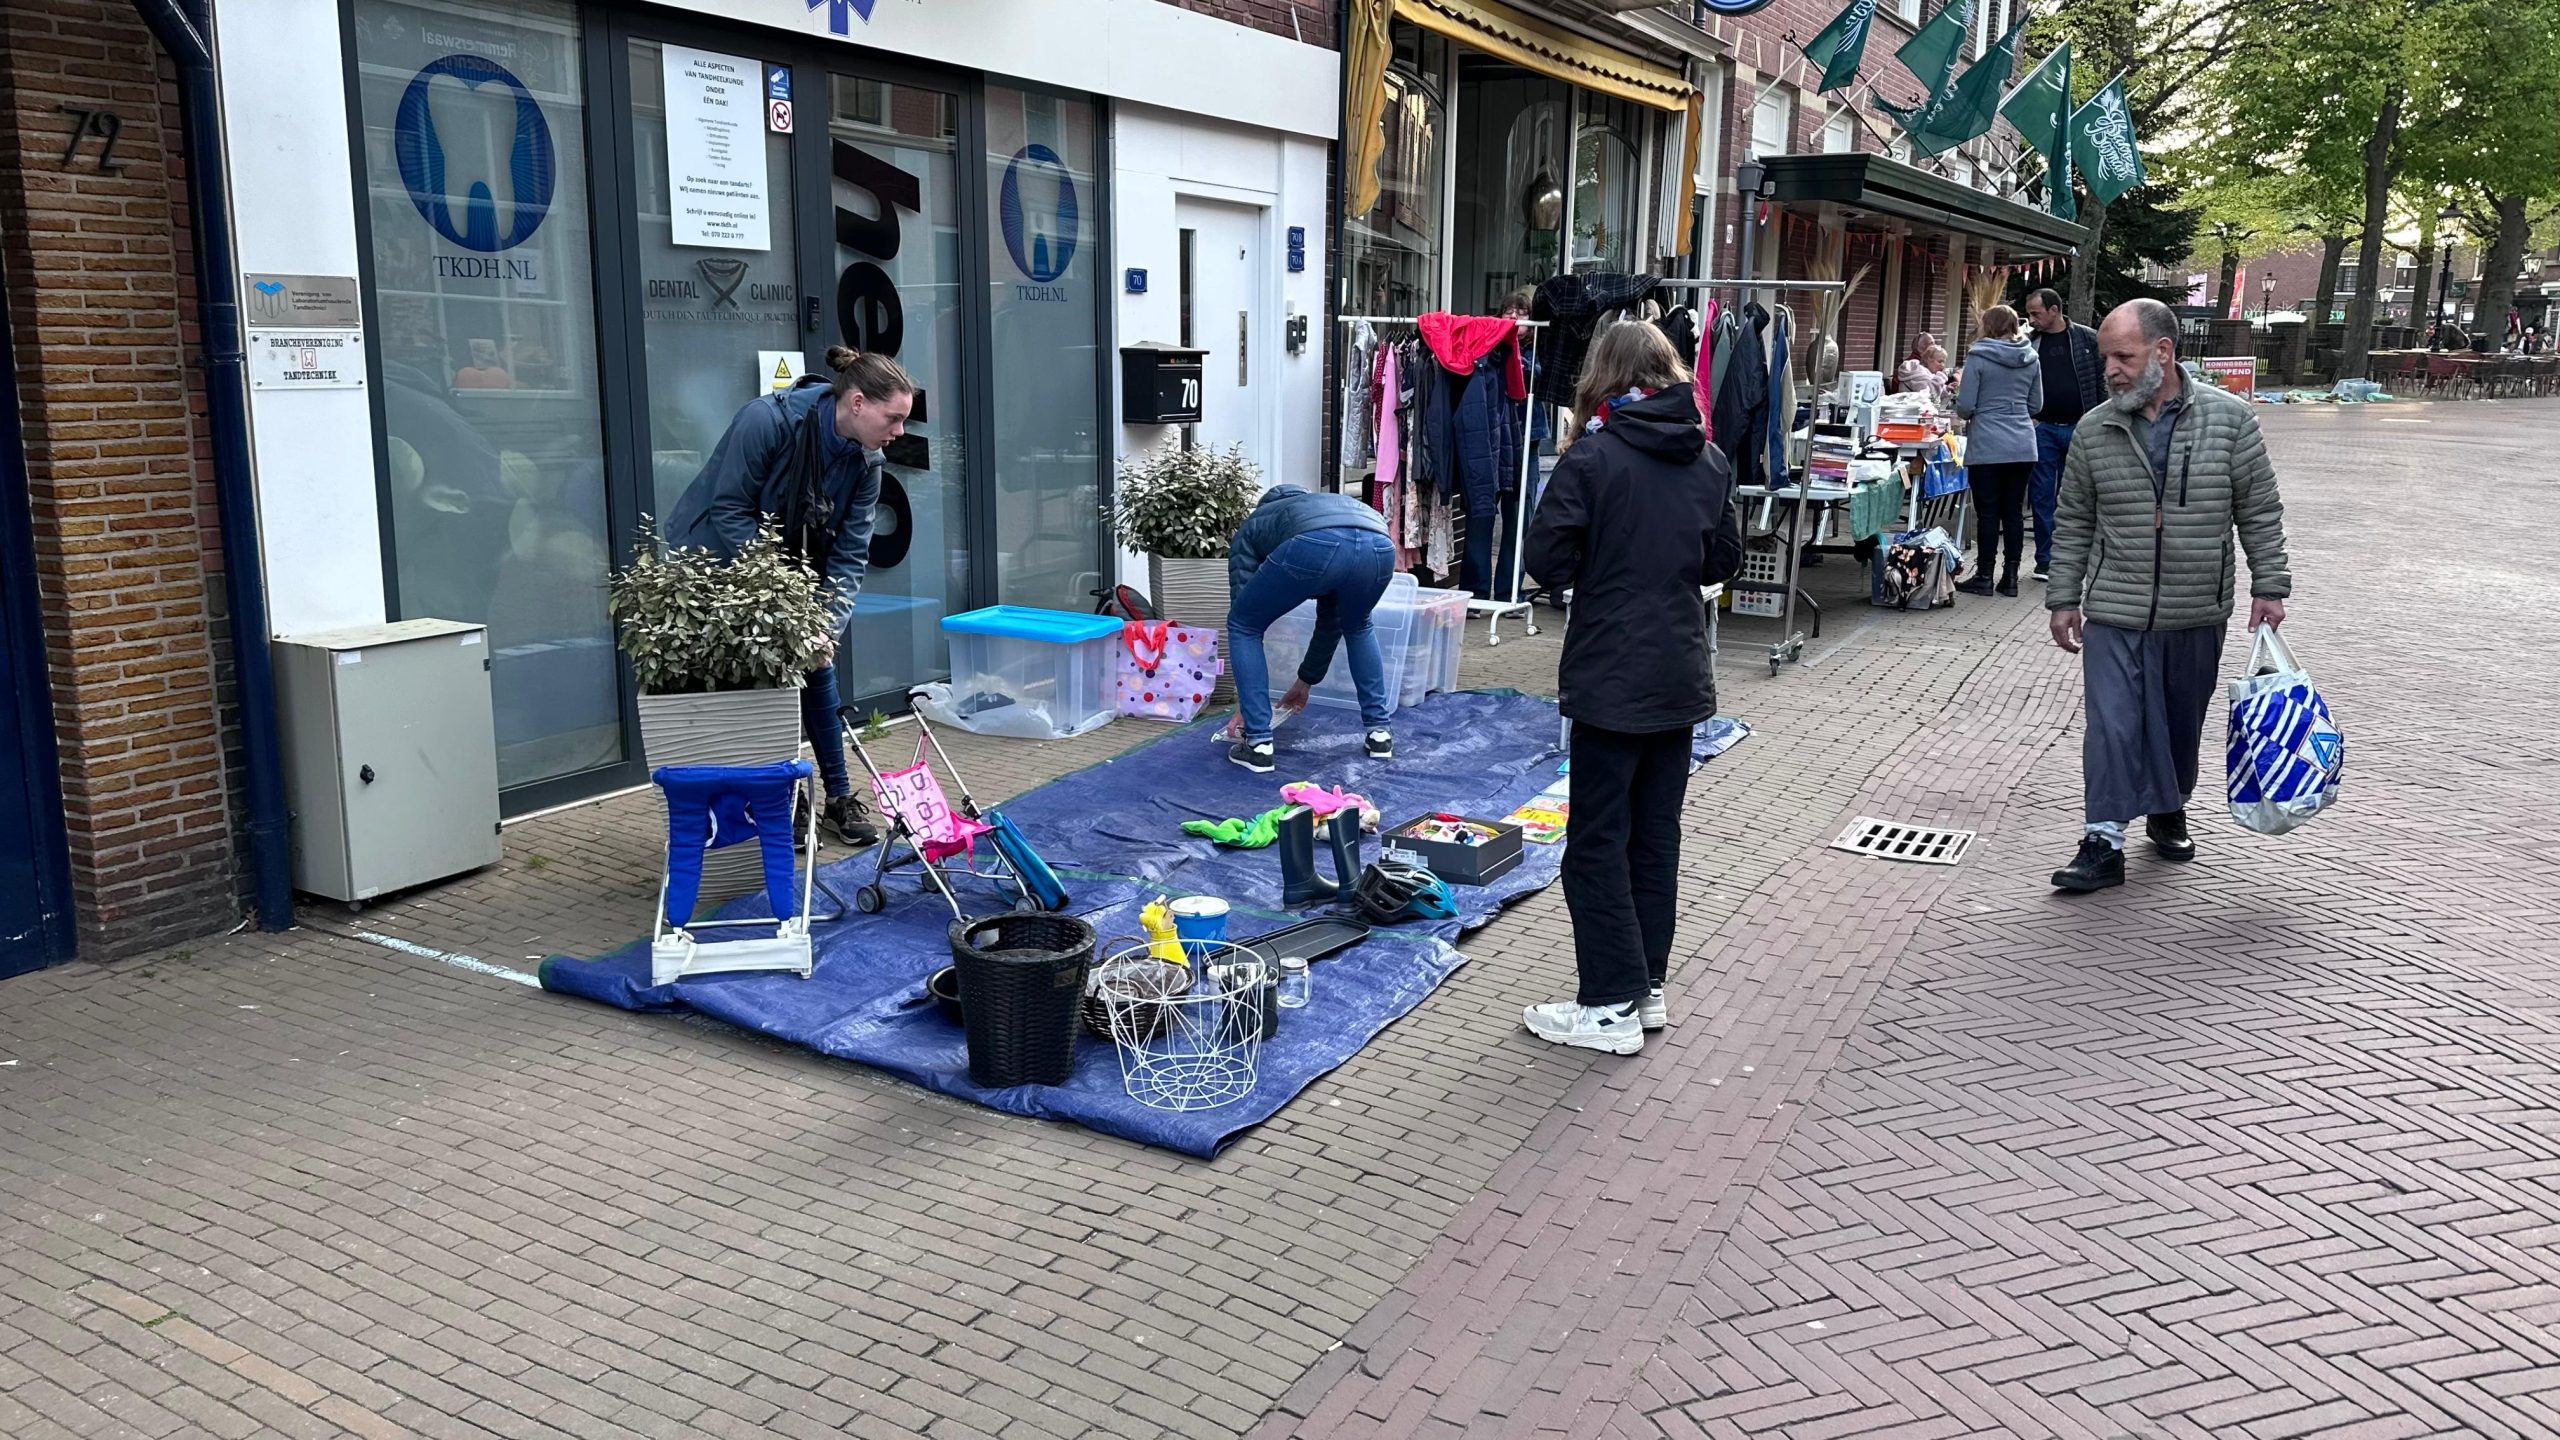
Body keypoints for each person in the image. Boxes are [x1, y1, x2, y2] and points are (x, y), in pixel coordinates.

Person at [1519, 324, 1741, 1055]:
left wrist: (1601, 555)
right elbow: (1725, 557)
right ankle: (1644, 987)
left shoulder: (1593, 456)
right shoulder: (1706, 456)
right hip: (1678, 669)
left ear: (1603, 377)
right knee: (1655, 837)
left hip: (1614, 670)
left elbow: (1545, 560)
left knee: (1595, 843)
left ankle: (1610, 1001)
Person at [2046, 298, 2293, 893]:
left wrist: (2270, 585)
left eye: (2123, 356)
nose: (2111, 369)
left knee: (2180, 724)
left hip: (2195, 607)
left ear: (2163, 352)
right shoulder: (2093, 428)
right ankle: (2102, 841)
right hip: (2115, 608)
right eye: (2106, 356)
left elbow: (2258, 510)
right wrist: (2063, 596)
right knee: (2112, 725)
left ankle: (2167, 805)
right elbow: (2073, 517)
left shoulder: (2231, 420)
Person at [663, 345, 915, 847]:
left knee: (816, 662)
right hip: (716, 559)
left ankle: (837, 797)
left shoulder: (867, 463)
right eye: (895, 418)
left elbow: (849, 553)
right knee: (764, 682)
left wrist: (824, 625)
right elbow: (729, 509)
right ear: (858, 403)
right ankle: (788, 800)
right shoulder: (766, 421)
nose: (900, 432)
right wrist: (784, 605)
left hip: (790, 568)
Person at [1223, 484, 1398, 773]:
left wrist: (1250, 705)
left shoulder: (1255, 523)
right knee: (1358, 624)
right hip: (1379, 545)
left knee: (1243, 625)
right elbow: (1332, 622)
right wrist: (1305, 682)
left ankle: (1258, 744)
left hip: (1314, 544)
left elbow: (1244, 607)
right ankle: (1380, 735)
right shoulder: (1326, 505)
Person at [1954, 305, 2043, 598]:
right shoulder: (2031, 358)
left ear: (1987, 326)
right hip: (2022, 445)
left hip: (1988, 444)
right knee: (2014, 512)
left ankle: (1983, 575)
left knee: (1988, 512)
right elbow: (2036, 405)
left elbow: (1965, 406)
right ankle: (2011, 577)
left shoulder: (1978, 357)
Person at [2022, 287, 2104, 582]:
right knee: (2042, 495)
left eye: (2036, 313)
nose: (2031, 319)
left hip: (2079, 427)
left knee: (2077, 497)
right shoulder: (2030, 344)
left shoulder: (2086, 339)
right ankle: (2045, 560)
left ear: (2054, 310)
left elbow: (2100, 381)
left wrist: (2097, 422)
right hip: (2043, 428)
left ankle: (2076, 561)